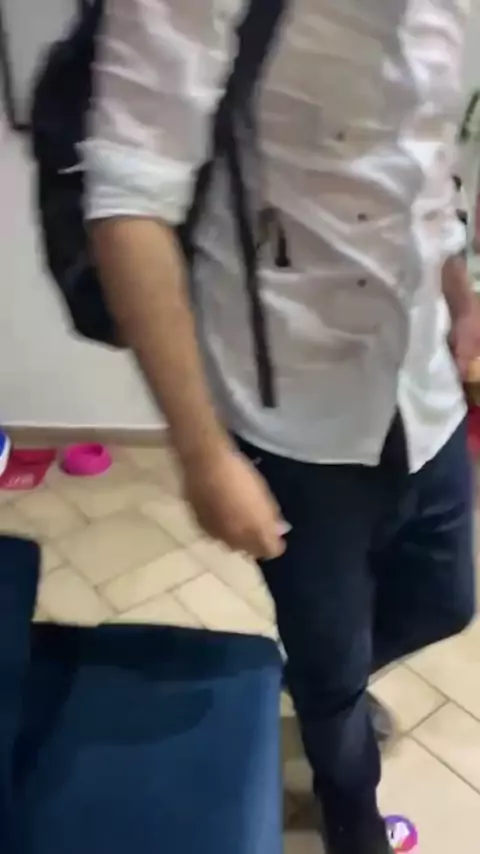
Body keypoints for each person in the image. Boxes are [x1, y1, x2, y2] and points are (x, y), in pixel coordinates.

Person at [84, 2, 479, 852]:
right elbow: (128, 199)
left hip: (423, 385)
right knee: (330, 660)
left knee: (447, 601)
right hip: (290, 407)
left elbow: (429, 163)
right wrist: (203, 453)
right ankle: (348, 807)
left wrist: (463, 298)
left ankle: (324, 684)